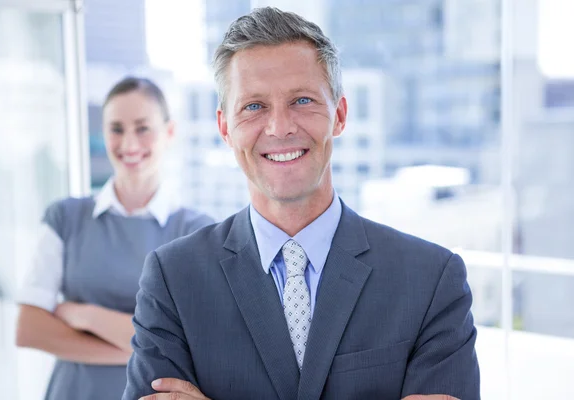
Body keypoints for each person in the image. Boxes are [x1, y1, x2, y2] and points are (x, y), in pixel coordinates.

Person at [123, 8, 480, 400]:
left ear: (339, 115)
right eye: (254, 106)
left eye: (302, 100)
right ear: (225, 127)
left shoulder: (430, 280)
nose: (280, 127)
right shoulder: (173, 280)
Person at [15, 76, 214, 400]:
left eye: (142, 128)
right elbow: (30, 329)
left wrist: (83, 315)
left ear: (170, 132)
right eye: (116, 129)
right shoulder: (65, 218)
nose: (129, 144)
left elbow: (197, 345)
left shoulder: (199, 233)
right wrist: (146, 348)